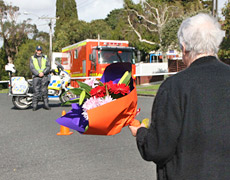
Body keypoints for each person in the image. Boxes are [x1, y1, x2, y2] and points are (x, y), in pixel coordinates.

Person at [129, 13, 228, 180]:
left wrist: (140, 133)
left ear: (184, 47)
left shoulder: (174, 86)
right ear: (216, 43)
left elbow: (158, 149)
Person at [30, 46, 51, 111]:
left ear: (41, 50)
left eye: (40, 50)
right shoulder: (32, 58)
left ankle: (46, 105)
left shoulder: (45, 57)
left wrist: (43, 72)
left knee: (44, 91)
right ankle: (34, 106)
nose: (39, 51)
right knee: (36, 91)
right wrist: (38, 73)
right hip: (36, 77)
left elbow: (48, 66)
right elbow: (32, 67)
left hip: (44, 76)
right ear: (36, 50)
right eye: (38, 50)